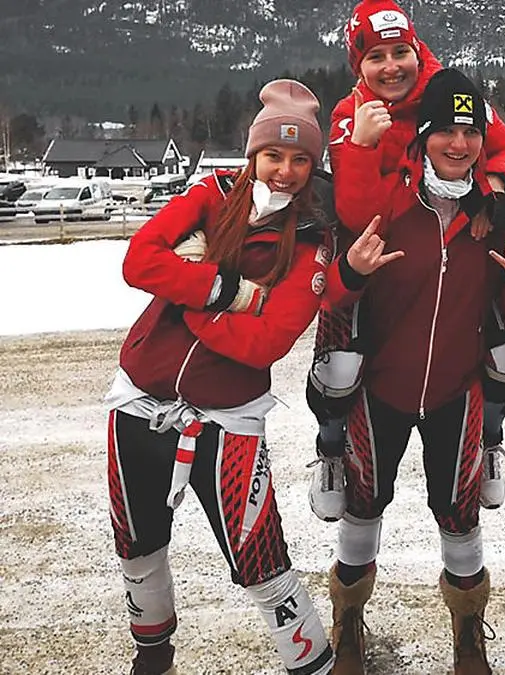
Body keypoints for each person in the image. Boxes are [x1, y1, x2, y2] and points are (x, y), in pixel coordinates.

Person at [106, 80, 336, 675]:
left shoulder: (313, 239)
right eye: (273, 155)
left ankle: (311, 663)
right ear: (252, 153)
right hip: (138, 402)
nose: (284, 171)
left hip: (228, 418)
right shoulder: (211, 194)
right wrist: (226, 290)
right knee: (138, 546)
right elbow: (138, 262)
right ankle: (152, 658)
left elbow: (267, 342)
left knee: (261, 560)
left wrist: (185, 292)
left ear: (313, 165)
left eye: (300, 159)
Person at [319, 68, 505, 675]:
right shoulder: (388, 202)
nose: (458, 144)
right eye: (444, 130)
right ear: (422, 138)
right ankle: (347, 625)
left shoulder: (497, 211)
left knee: (460, 514)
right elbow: (333, 299)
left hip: (456, 390)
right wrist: (353, 273)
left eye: (469, 132)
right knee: (363, 508)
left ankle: (468, 634)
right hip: (380, 389)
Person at [307, 0, 505, 522]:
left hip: (456, 232)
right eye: (376, 56)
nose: (391, 67)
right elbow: (355, 213)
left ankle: (490, 433)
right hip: (383, 244)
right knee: (340, 362)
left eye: (401, 51)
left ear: (417, 49)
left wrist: (491, 190)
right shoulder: (350, 114)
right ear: (357, 65)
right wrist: (361, 145)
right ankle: (332, 445)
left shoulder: (450, 91)